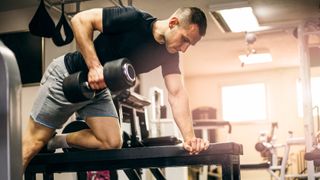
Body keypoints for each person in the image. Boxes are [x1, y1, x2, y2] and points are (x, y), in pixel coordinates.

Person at [22, 5, 210, 170]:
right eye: (185, 39)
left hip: (97, 91)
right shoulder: (134, 18)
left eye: (189, 44)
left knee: (111, 142)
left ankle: (55, 141)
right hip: (68, 76)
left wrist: (190, 138)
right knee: (32, 145)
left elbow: (177, 94)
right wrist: (95, 66)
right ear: (173, 22)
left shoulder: (169, 55)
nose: (184, 48)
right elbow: (80, 20)